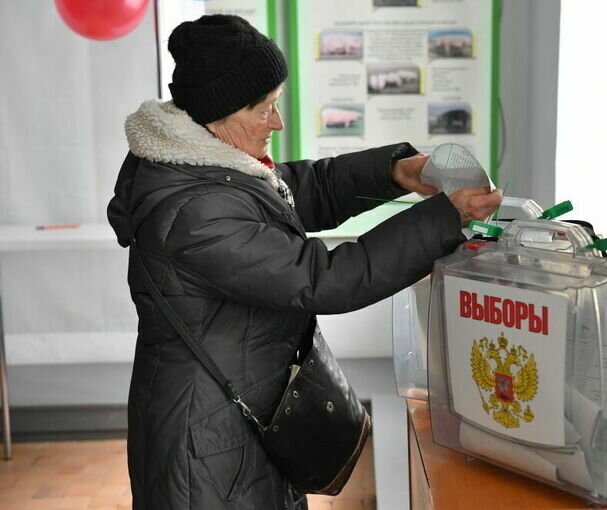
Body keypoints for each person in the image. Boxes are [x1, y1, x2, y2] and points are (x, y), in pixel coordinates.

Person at [107, 14, 501, 510]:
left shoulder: (206, 166)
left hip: (237, 413)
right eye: (264, 109)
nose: (277, 122)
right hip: (206, 441)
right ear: (216, 115)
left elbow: (293, 190)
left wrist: (393, 172)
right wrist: (445, 218)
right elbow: (322, 280)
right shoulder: (192, 210)